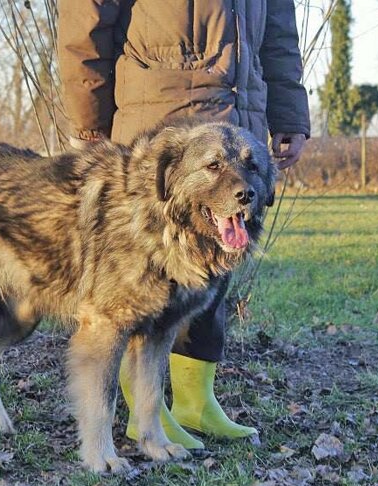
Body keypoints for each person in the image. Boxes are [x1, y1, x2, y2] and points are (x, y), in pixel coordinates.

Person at [58, 0, 310, 449]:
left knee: (213, 274)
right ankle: (144, 412)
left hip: (238, 115)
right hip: (162, 123)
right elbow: (88, 14)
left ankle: (195, 401)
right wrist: (88, 118)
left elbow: (278, 32)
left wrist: (289, 115)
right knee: (140, 286)